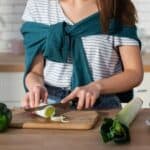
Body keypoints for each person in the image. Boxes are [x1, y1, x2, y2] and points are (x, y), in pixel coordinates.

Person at [21, 0, 143, 110]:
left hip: (102, 104)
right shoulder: (39, 5)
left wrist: (97, 87)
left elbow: (134, 72)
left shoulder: (116, 6)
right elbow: (35, 73)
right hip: (50, 104)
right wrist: (36, 86)